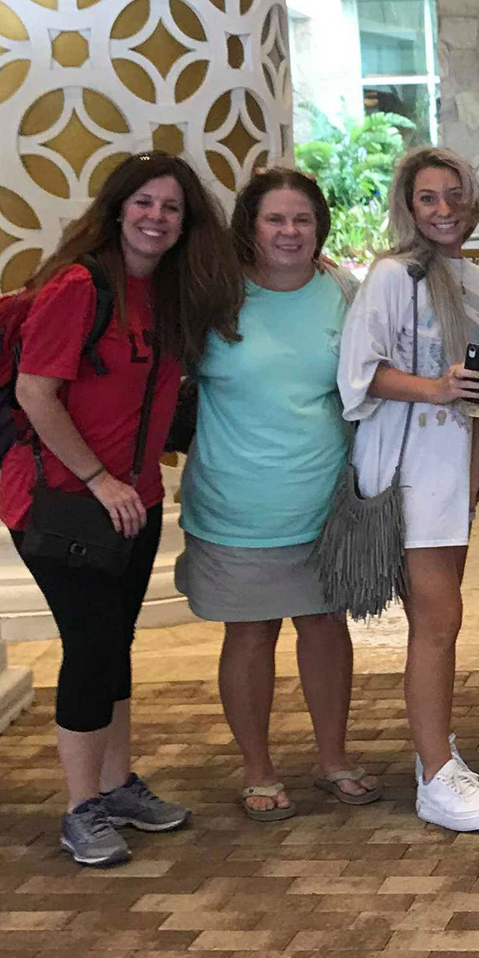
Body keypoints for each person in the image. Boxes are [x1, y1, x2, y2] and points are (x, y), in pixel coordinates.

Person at [2, 150, 240, 867]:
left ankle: (116, 784)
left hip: (129, 506)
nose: (156, 218)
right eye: (144, 203)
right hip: (62, 505)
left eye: (171, 208)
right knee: (91, 646)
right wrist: (99, 479)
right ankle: (81, 808)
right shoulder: (79, 287)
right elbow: (34, 391)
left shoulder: (164, 293)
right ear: (117, 208)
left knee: (115, 643)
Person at [179, 168, 376, 823]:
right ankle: (257, 769)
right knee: (251, 632)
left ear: (319, 225)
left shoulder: (344, 295)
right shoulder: (214, 297)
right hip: (235, 504)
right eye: (275, 220)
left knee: (324, 627)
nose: (290, 232)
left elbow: (367, 392)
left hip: (323, 501)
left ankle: (333, 759)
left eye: (302, 219)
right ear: (250, 227)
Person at [337, 146, 479, 831]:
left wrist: (474, 463)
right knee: (438, 622)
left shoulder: (473, 280)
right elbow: (358, 374)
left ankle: (436, 752)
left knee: (440, 621)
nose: (443, 210)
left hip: (448, 472)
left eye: (453, 196)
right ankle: (436, 775)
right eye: (428, 198)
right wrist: (433, 388)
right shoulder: (388, 277)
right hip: (404, 469)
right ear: (408, 207)